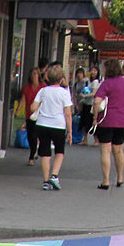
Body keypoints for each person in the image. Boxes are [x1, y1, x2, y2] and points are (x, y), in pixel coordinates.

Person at [29, 63, 73, 191]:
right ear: (61, 79)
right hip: (58, 125)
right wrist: (70, 131)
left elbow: (33, 107)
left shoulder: (43, 91)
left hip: (42, 124)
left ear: (48, 78)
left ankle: (45, 181)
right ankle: (54, 175)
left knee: (45, 153)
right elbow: (68, 113)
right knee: (59, 151)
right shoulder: (64, 93)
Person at [91, 58, 124, 190]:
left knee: (106, 150)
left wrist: (95, 117)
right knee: (118, 150)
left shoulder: (107, 83)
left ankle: (106, 181)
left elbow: (97, 101)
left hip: (107, 120)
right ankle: (120, 178)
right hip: (122, 120)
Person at [21, 66, 43, 164]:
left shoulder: (43, 87)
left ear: (39, 75)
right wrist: (17, 111)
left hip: (40, 115)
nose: (34, 76)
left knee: (35, 135)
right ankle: (33, 151)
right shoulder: (26, 88)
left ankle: (31, 157)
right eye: (32, 74)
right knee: (30, 136)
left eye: (35, 74)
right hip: (29, 115)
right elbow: (23, 100)